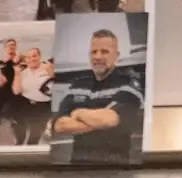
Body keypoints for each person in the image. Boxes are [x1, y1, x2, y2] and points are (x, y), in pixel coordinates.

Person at [50, 27, 144, 162]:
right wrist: (98, 121)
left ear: (116, 55)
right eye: (94, 52)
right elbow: (60, 125)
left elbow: (109, 120)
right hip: (78, 165)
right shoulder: (77, 85)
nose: (97, 57)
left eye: (104, 51)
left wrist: (78, 113)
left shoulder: (128, 84)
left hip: (114, 165)